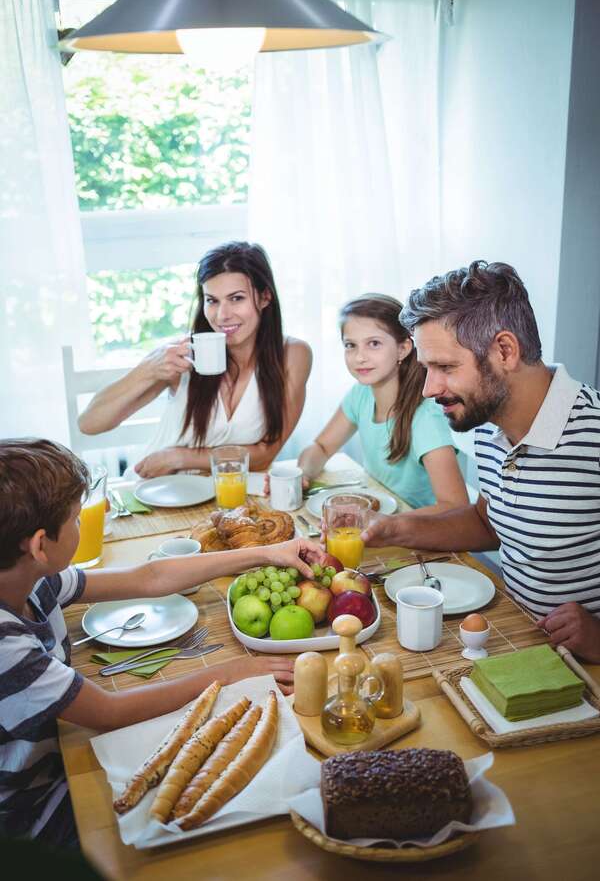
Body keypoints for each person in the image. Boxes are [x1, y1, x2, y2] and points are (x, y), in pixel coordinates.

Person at [0, 438, 325, 845]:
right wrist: (230, 673)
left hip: (57, 757)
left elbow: (149, 577)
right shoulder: (7, 646)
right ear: (39, 545)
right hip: (32, 810)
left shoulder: (33, 580)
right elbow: (110, 711)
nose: (81, 525)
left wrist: (267, 553)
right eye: (76, 519)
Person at [362, 261, 600, 663]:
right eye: (426, 369)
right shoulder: (488, 423)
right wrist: (398, 528)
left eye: (445, 367)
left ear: (505, 351)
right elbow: (488, 524)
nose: (428, 388)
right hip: (522, 643)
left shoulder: (593, 437)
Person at [78, 242, 312, 476]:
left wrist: (179, 457)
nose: (222, 315)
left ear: (265, 297)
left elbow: (266, 454)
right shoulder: (182, 354)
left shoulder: (293, 355)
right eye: (212, 300)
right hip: (156, 488)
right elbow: (89, 423)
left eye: (236, 298)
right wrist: (148, 370)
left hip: (228, 493)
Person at [297, 294, 468, 511]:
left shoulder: (426, 416)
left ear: (403, 349)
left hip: (420, 526)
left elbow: (455, 507)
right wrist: (302, 474)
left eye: (374, 344)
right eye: (350, 345)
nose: (360, 357)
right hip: (380, 518)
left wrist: (384, 524)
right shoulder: (361, 394)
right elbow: (322, 447)